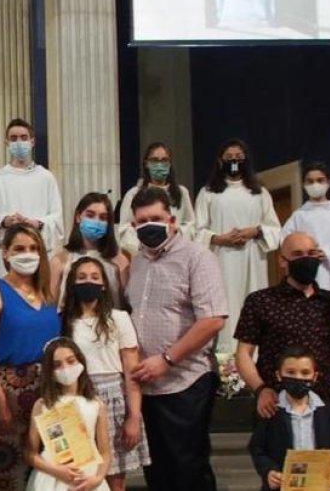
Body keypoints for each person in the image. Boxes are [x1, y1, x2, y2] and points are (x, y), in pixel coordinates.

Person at [125, 186, 228, 491]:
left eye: (156, 218)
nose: (149, 225)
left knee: (188, 470)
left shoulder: (198, 257)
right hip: (148, 384)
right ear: (133, 226)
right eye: (142, 221)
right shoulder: (138, 262)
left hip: (185, 381)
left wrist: (167, 359)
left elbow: (212, 320)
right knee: (156, 471)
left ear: (172, 220)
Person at [0, 225, 60, 491]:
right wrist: (0, 404)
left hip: (48, 392)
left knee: (48, 471)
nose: (28, 254)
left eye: (34, 249)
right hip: (8, 391)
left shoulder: (47, 294)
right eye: (20, 249)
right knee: (8, 472)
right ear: (6, 254)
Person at [234, 232, 330, 414]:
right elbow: (243, 354)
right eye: (298, 254)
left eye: (311, 253)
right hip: (275, 405)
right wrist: (261, 389)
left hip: (324, 404)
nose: (306, 259)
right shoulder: (261, 301)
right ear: (282, 261)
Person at [61, 256, 150, 490]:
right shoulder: (64, 322)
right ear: (71, 283)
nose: (87, 282)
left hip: (113, 400)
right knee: (79, 477)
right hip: (76, 399)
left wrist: (133, 416)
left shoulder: (118, 319)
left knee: (114, 481)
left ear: (103, 284)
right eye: (81, 277)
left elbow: (132, 373)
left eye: (94, 277)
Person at [194, 138, 281, 353]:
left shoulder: (259, 192)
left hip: (251, 258)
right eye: (229, 158)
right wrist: (218, 238)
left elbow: (276, 230)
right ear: (220, 161)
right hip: (220, 259)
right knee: (225, 308)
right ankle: (224, 362)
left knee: (250, 306)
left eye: (239, 158)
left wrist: (255, 231)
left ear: (247, 161)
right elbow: (196, 231)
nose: (234, 162)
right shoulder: (209, 192)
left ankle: (253, 358)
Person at [247, 346, 330, 491]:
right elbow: (257, 447)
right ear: (279, 375)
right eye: (291, 372)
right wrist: (269, 472)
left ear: (315, 376)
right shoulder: (271, 409)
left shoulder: (326, 411)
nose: (298, 377)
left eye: (305, 373)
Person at [0, 118, 65, 281]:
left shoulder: (46, 177)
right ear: (6, 142)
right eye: (13, 138)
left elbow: (57, 220)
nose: (19, 142)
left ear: (32, 141)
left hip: (37, 251)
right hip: (6, 256)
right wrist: (5, 221)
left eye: (23, 137)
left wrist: (37, 224)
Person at [25, 337, 112, 491]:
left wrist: (97, 479)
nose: (65, 368)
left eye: (71, 361)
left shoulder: (96, 405)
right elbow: (30, 453)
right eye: (57, 365)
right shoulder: (43, 405)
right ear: (49, 371)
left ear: (81, 362)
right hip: (51, 476)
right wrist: (56, 471)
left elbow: (105, 453)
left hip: (87, 476)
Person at [281, 161, 330, 313]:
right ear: (304, 184)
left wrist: (327, 253)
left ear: (328, 182)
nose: (315, 184)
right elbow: (285, 242)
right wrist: (304, 255)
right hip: (308, 272)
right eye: (310, 181)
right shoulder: (298, 216)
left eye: (320, 180)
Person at [49, 193, 129, 308]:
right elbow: (51, 307)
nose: (96, 221)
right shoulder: (59, 260)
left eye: (103, 217)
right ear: (78, 217)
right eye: (90, 215)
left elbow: (125, 305)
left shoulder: (120, 261)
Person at [116, 142, 197, 255]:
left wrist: (175, 234)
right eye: (154, 160)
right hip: (144, 253)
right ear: (146, 163)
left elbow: (191, 224)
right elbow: (125, 229)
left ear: (169, 164)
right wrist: (145, 245)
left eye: (164, 160)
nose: (159, 165)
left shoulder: (181, 192)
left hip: (175, 252)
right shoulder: (134, 194)